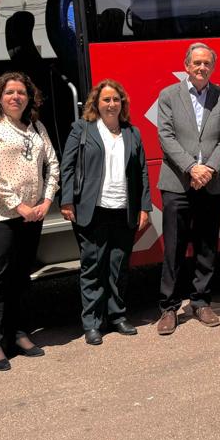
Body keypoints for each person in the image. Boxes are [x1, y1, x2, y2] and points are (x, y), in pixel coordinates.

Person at [0, 72, 60, 367]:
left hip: (34, 214)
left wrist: (47, 201)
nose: (15, 97)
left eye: (21, 92)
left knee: (23, 275)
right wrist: (18, 205)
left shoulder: (36, 127)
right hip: (1, 215)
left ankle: (20, 332)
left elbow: (53, 164)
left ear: (28, 98)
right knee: (0, 278)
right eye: (9, 92)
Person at [59, 80, 151, 345]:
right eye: (106, 100)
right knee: (93, 267)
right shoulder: (82, 129)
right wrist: (67, 201)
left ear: (122, 104)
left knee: (118, 266)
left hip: (124, 209)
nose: (111, 104)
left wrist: (144, 206)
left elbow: (142, 172)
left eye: (116, 100)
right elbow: (68, 166)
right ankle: (92, 322)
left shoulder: (132, 132)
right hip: (92, 210)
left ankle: (118, 316)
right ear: (96, 104)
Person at [155, 42, 220, 335]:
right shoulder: (169, 95)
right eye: (197, 63)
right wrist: (192, 167)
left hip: (210, 183)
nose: (202, 68)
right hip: (178, 182)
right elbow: (165, 135)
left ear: (213, 67)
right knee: (174, 248)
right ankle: (168, 308)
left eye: (207, 64)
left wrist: (209, 169)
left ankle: (201, 301)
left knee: (206, 246)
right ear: (187, 65)